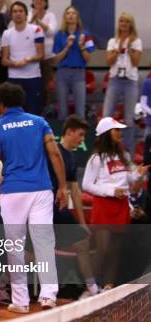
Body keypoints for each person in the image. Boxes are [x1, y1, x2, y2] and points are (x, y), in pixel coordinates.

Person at [0, 82, 67, 313]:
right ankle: (48, 297)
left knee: (15, 247)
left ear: (0, 104)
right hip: (41, 190)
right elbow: (55, 154)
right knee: (44, 243)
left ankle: (21, 301)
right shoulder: (40, 123)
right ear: (21, 101)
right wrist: (63, 187)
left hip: (13, 192)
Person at [82, 117, 148, 290]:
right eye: (116, 130)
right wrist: (111, 192)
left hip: (121, 206)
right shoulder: (97, 158)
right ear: (106, 134)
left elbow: (128, 181)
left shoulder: (124, 155)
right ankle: (89, 289)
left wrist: (139, 174)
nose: (120, 132)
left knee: (114, 250)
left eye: (120, 130)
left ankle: (108, 286)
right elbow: (86, 185)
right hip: (104, 206)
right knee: (102, 249)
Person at [47, 116, 98, 298]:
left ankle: (92, 288)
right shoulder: (51, 152)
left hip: (60, 211)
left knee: (82, 242)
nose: (82, 139)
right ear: (68, 132)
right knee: (30, 254)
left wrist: (82, 222)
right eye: (80, 135)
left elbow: (75, 192)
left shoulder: (72, 157)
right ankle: (0, 283)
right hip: (43, 210)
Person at [103, 13, 143, 153]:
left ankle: (128, 154)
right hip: (114, 80)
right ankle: (105, 151)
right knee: (107, 116)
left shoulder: (136, 41)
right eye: (121, 21)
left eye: (127, 22)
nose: (124, 24)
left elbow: (136, 62)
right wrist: (118, 49)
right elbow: (108, 62)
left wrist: (130, 48)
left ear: (131, 24)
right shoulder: (112, 41)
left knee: (129, 119)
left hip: (130, 81)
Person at [1, 1, 44, 115]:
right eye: (15, 11)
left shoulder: (36, 30)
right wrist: (15, 64)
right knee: (14, 112)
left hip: (33, 77)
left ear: (26, 14)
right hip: (14, 78)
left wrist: (27, 60)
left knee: (33, 112)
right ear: (11, 15)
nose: (18, 14)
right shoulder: (7, 33)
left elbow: (41, 55)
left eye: (20, 11)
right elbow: (4, 60)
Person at [53, 6, 94, 120]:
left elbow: (88, 58)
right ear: (65, 17)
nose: (71, 15)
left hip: (79, 73)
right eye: (68, 13)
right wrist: (67, 47)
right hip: (62, 73)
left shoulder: (86, 34)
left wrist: (81, 46)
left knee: (80, 109)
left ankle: (80, 137)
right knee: (62, 109)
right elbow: (56, 59)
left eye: (73, 13)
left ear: (77, 17)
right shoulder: (59, 34)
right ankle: (64, 136)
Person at [28, 0, 57, 115]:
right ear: (33, 1)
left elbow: (51, 32)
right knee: (33, 85)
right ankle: (33, 111)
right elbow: (25, 32)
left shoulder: (50, 16)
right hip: (32, 57)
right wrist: (32, 20)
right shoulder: (28, 14)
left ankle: (47, 111)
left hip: (47, 58)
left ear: (46, 3)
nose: (39, 1)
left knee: (46, 87)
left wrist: (38, 21)